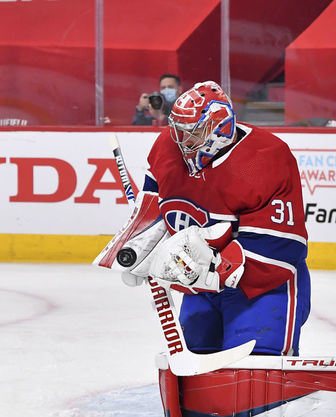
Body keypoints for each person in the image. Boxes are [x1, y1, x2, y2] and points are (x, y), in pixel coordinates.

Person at [122, 80, 310, 357]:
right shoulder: (168, 146)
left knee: (254, 368)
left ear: (219, 128)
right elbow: (154, 205)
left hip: (261, 287)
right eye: (178, 131)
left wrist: (215, 269)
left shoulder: (265, 157)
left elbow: (283, 245)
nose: (180, 140)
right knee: (197, 358)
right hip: (198, 284)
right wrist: (141, 244)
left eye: (192, 133)